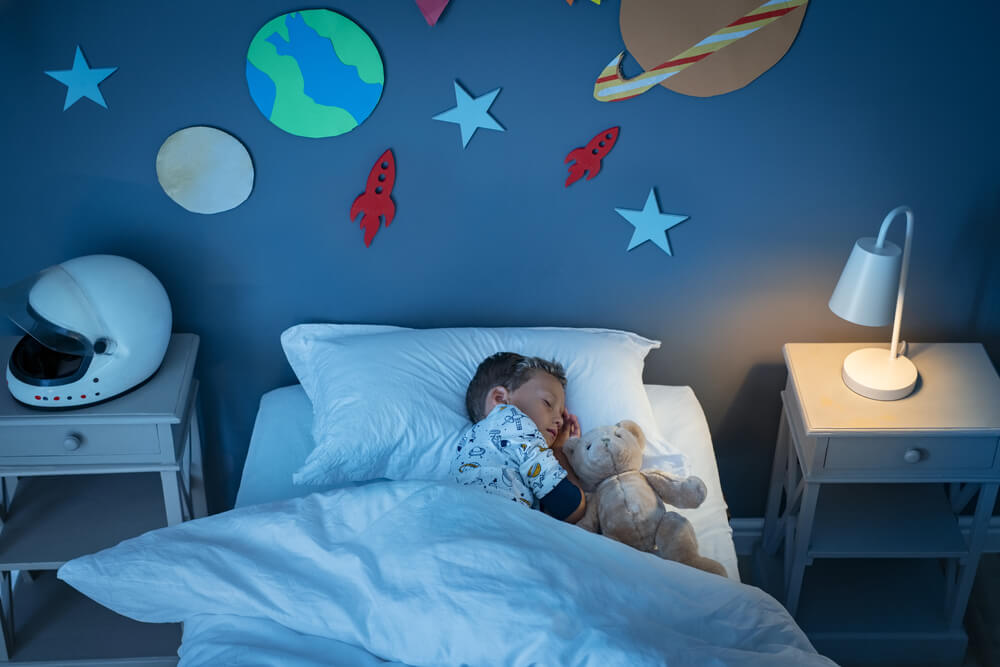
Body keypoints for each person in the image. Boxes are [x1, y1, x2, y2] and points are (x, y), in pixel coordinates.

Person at [450, 352, 586, 523]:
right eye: (548, 403)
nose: (559, 420)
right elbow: (571, 507)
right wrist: (558, 451)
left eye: (561, 413)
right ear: (500, 399)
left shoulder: (466, 442)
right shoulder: (513, 421)